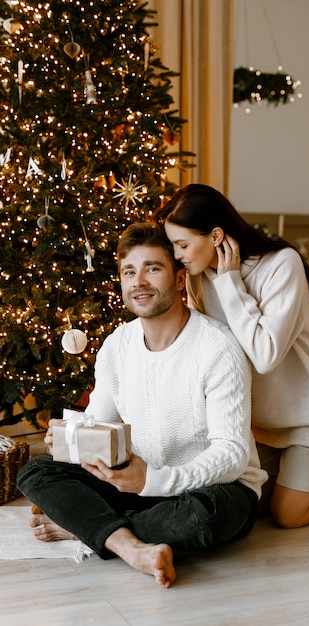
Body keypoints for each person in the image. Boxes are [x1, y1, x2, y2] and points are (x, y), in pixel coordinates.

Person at [17, 222, 267, 588]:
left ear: (180, 280)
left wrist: (154, 480)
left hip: (209, 488)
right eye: (129, 272)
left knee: (207, 518)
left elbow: (231, 455)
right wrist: (70, 440)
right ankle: (130, 546)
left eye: (152, 268)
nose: (139, 281)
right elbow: (98, 424)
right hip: (135, 482)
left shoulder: (218, 347)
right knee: (36, 470)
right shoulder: (117, 345)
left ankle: (87, 527)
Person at [155, 183, 309, 529]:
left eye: (182, 244)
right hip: (267, 422)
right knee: (254, 503)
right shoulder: (200, 279)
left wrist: (230, 283)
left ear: (215, 236)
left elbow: (265, 355)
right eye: (173, 246)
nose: (178, 254)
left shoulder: (280, 265)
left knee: (288, 514)